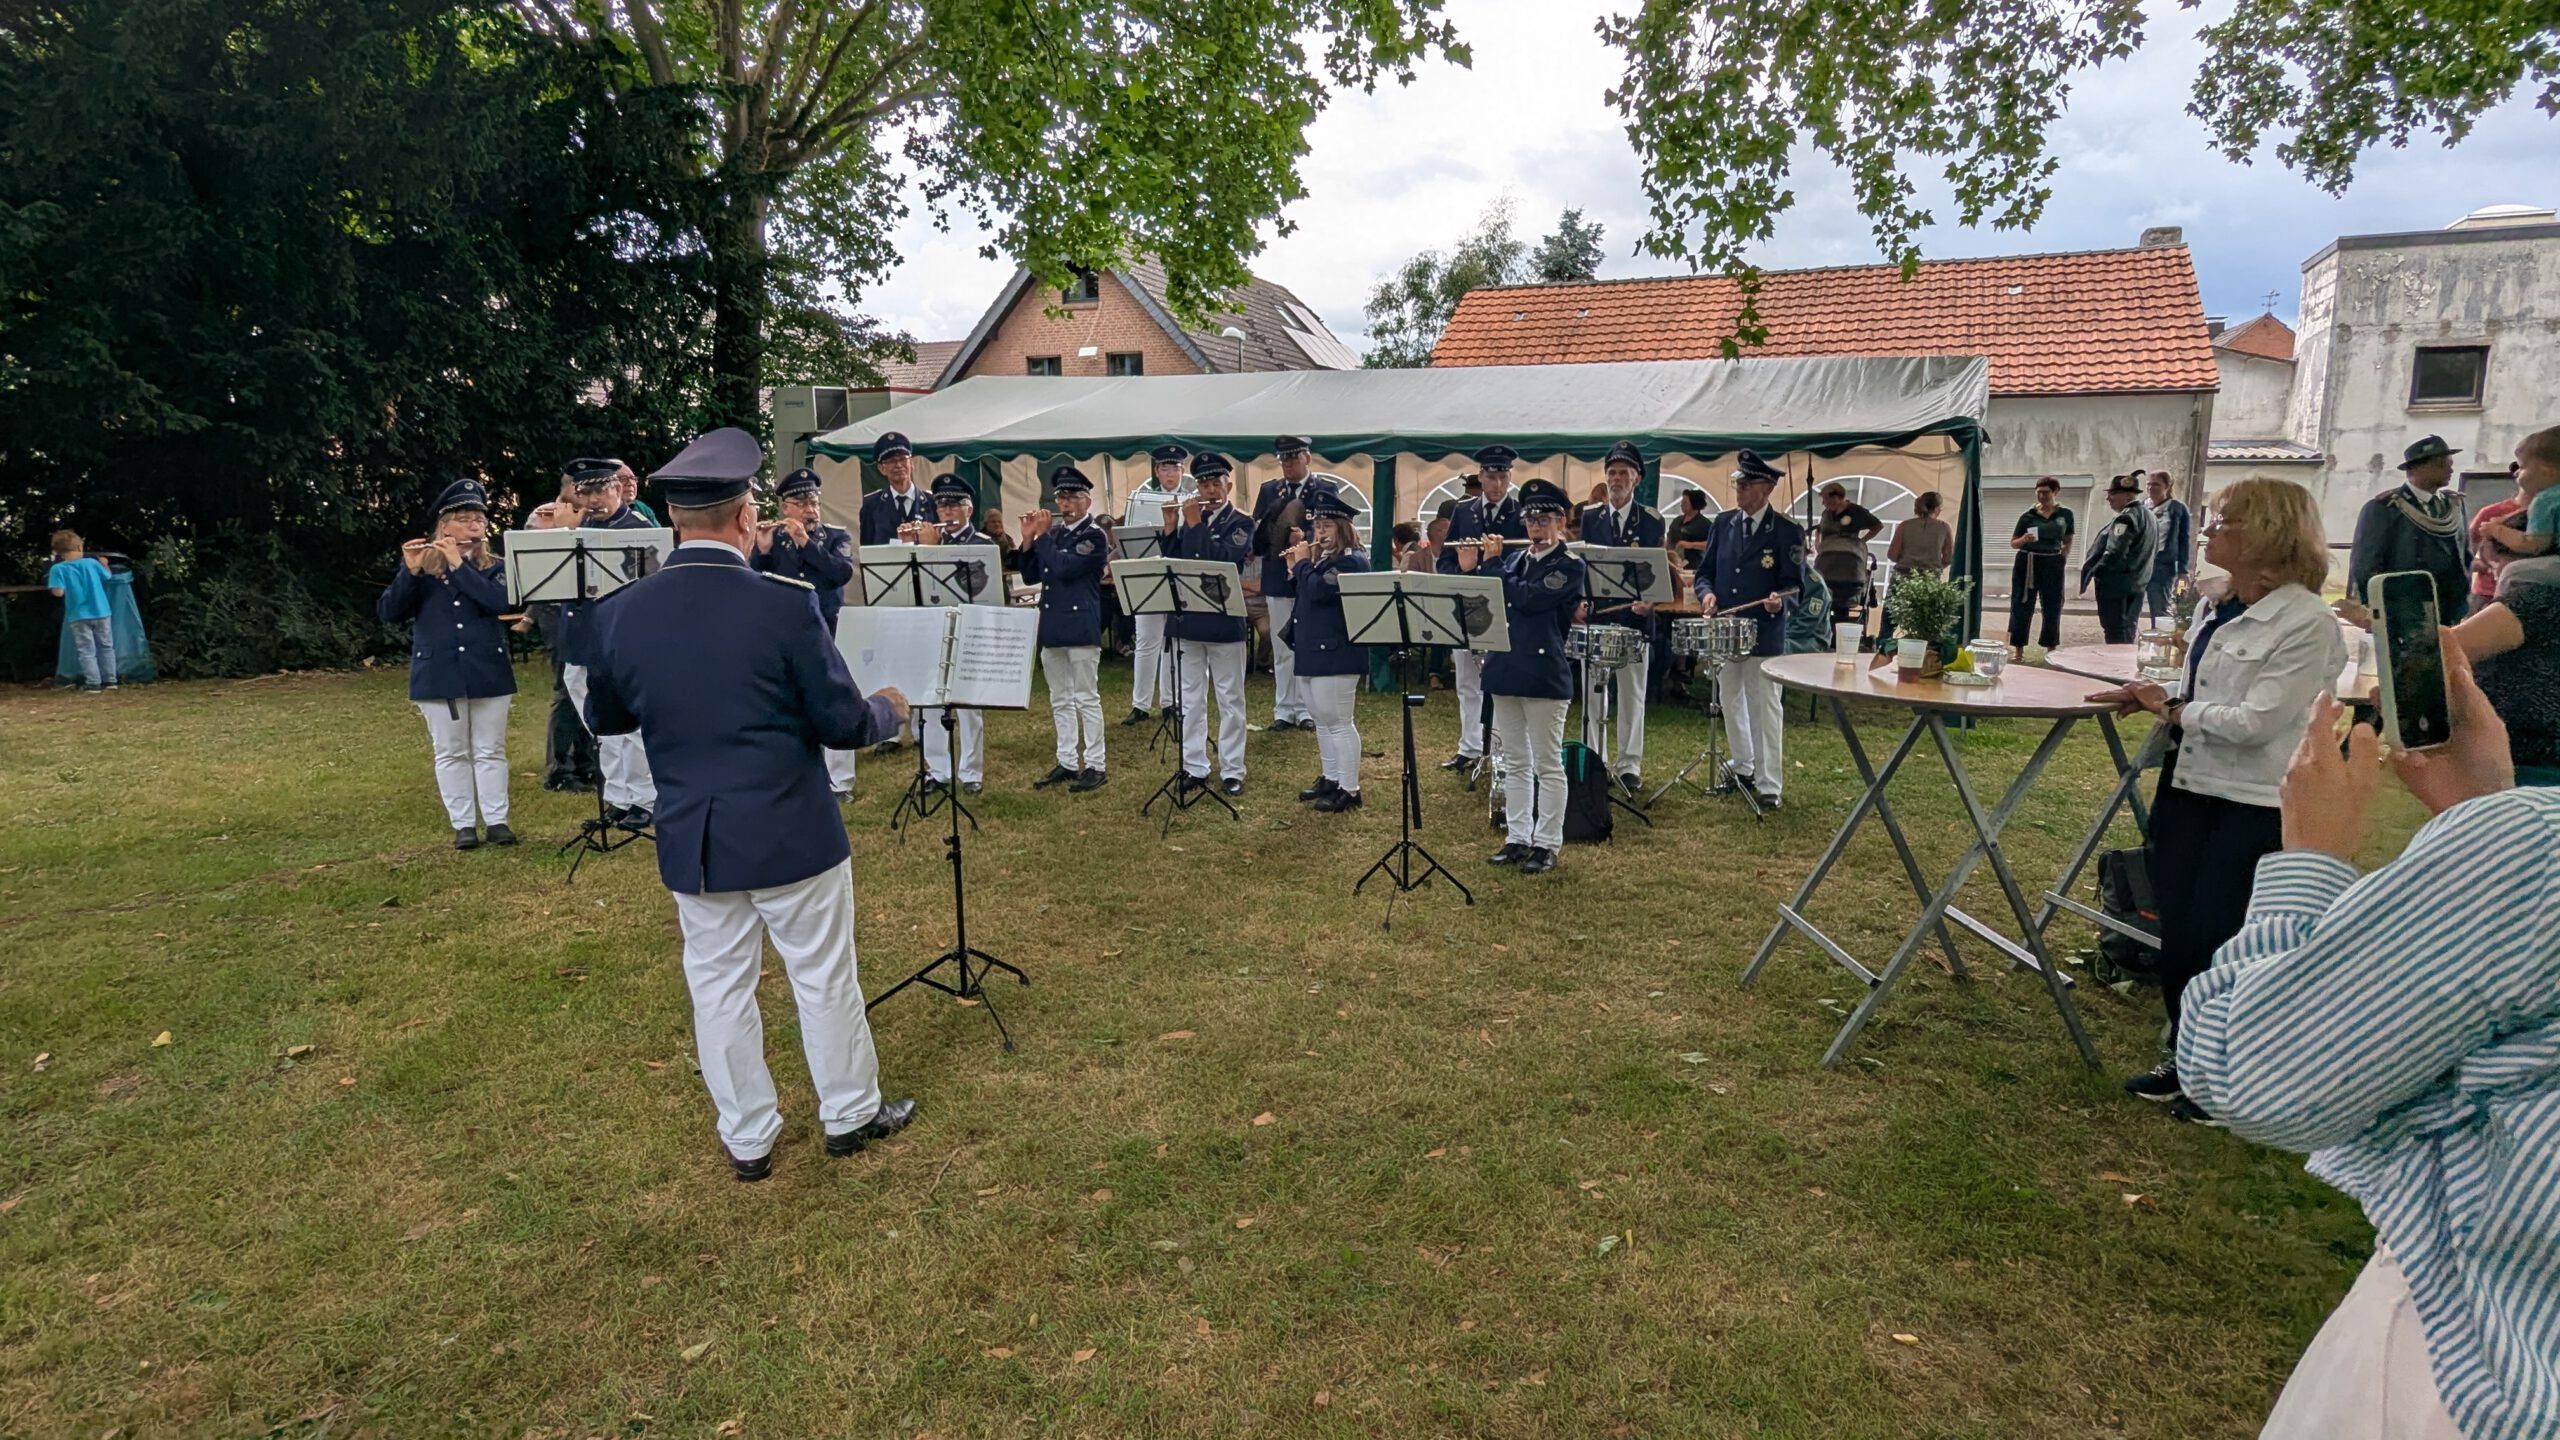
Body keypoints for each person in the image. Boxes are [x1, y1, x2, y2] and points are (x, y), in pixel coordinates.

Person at [2177, 650, 2559, 1440]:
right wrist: (2480, 815)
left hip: (2470, 1366)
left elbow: (2252, 1070)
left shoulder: (2534, 850)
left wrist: (2310, 858)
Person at [582, 427, 918, 1184]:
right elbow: (842, 722)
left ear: (675, 519)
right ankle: (848, 1113)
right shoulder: (784, 606)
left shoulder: (621, 611)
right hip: (789, 826)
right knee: (822, 975)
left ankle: (748, 1138)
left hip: (693, 833)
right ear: (745, 518)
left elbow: (606, 717)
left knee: (719, 987)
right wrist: (889, 711)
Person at [2085, 475, 2344, 1121]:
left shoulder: (2306, 621)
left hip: (2253, 800)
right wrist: (2156, 696)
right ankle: (2185, 1058)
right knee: (2180, 928)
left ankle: (2226, 1075)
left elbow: (2257, 721)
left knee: (2223, 934)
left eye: (2222, 520)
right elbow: (2201, 689)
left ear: (2268, 534)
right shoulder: (2217, 603)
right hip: (2189, 783)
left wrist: (2171, 710)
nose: (2205, 530)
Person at [375, 478, 518, 850]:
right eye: (464, 519)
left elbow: (500, 603)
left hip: (487, 669)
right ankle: (463, 824)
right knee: (451, 751)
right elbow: (390, 613)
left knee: (490, 749)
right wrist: (409, 571)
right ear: (444, 526)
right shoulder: (423, 568)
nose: (474, 525)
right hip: (438, 670)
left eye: (479, 520)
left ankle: (497, 821)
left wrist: (458, 566)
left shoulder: (495, 567)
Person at [1467, 478, 1583, 875]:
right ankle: (1517, 837)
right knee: (1514, 760)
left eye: (1545, 518)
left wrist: (1493, 566)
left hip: (1543, 674)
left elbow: (1530, 599)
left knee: (1547, 763)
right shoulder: (1515, 561)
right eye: (1531, 519)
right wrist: (1478, 565)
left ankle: (1547, 843)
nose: (1536, 525)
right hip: (1505, 669)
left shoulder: (1569, 565)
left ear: (1561, 522)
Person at [556, 456, 660, 828]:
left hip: (621, 640)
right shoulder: (576, 528)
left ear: (617, 488)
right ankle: (618, 796)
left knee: (629, 725)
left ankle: (645, 798)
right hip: (580, 638)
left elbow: (647, 588)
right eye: (585, 493)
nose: (593, 500)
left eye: (601, 490)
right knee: (599, 726)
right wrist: (563, 535)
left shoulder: (638, 529)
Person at [749, 467, 860, 796]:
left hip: (829, 628)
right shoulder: (774, 540)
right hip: (786, 633)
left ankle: (841, 780)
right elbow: (757, 584)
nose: (810, 510)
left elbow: (840, 573)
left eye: (813, 502)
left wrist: (806, 543)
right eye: (801, 504)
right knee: (792, 703)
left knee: (835, 700)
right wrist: (762, 553)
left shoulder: (836, 537)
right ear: (786, 508)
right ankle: (801, 774)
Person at [1702, 451, 1804, 809]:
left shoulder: (1787, 531)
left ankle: (1769, 783)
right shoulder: (1723, 524)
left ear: (1768, 488)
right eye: (1738, 484)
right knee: (1730, 700)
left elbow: (1795, 586)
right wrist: (1707, 593)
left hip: (1763, 634)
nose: (1740, 490)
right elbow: (1705, 572)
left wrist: (1780, 602)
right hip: (1727, 632)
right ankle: (1743, 766)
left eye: (1747, 484)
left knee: (1764, 708)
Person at [1577, 440, 1667, 793]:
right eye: (1611, 473)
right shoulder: (1590, 517)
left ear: (1636, 479)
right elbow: (1583, 566)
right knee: (1593, 695)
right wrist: (1581, 600)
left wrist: (1651, 601)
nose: (1616, 479)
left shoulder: (1652, 520)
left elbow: (1658, 571)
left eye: (1623, 473)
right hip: (1599, 618)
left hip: (1635, 621)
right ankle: (1595, 759)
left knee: (1632, 695)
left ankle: (1629, 764)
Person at [1161, 453, 1253, 798]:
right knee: (1190, 699)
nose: (1210, 490)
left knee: (1230, 699)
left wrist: (1195, 524)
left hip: (1224, 622)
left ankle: (1232, 769)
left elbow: (1222, 560)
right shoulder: (1190, 520)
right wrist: (1171, 528)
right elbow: (1173, 563)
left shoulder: (1241, 523)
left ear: (1228, 485)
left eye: (1216, 483)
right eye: (1203, 484)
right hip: (1188, 621)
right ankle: (1194, 765)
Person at [1018, 463, 1110, 793]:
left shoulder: (1094, 535)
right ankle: (1067, 760)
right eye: (1061, 498)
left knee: (1086, 697)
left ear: (1087, 501)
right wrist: (1027, 539)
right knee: (1060, 698)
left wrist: (1042, 537)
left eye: (1072, 497)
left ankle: (1096, 764)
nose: (1065, 504)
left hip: (1080, 623)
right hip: (1053, 623)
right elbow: (1031, 574)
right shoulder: (1054, 535)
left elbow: (1064, 568)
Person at [1437, 445, 1527, 773]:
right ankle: (1470, 746)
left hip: (1505, 607)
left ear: (1510, 476)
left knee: (1502, 680)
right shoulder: (1464, 512)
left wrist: (1489, 564)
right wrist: (1465, 570)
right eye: (1491, 477)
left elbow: (1524, 566)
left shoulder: (1521, 513)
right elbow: (1445, 562)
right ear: (1481, 476)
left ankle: (1501, 748)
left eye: (1504, 477)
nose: (1498, 484)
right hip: (1468, 606)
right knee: (1466, 680)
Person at [1285, 482, 1372, 812]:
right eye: (1317, 526)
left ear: (1343, 528)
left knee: (1338, 721)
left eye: (1327, 526)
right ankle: (1331, 777)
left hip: (1336, 652)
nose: (1320, 532)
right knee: (1321, 719)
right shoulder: (1323, 560)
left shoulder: (1352, 562)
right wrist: (1299, 568)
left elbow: (1321, 592)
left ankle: (1350, 789)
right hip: (1312, 648)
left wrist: (1302, 565)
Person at [914, 473, 991, 794]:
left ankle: (971, 772)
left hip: (967, 629)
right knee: (930, 702)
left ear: (968, 509)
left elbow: (978, 589)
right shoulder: (926, 542)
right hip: (932, 629)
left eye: (954, 505)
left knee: (969, 705)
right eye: (942, 506)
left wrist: (933, 551)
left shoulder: (982, 544)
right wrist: (918, 549)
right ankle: (938, 770)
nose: (946, 511)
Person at [2452, 558, 2560, 787]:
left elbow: (2445, 649)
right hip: (2512, 764)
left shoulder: (2537, 599)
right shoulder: (2538, 601)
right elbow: (2447, 650)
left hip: (2525, 768)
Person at [2346, 434, 2470, 620]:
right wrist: (2377, 611)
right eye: (2442, 464)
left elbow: (2464, 556)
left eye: (2450, 463)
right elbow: (2365, 566)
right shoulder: (2384, 508)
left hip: (2448, 609)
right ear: (2419, 468)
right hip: (2403, 610)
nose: (2450, 469)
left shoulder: (2453, 506)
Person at [1248, 436, 1321, 732]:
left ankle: (1305, 709)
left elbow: (1333, 529)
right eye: (1284, 460)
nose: (1288, 465)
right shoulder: (1270, 491)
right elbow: (1258, 535)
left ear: (1307, 458)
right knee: (1281, 645)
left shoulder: (1323, 489)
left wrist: (1305, 538)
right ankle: (1284, 709)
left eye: (1293, 458)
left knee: (1304, 643)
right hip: (1278, 575)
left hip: (1308, 574)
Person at [1124, 443, 1188, 726]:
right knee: (1146, 641)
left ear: (1182, 470)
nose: (1170, 473)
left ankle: (1170, 701)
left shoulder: (1191, 500)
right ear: (1157, 471)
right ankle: (1140, 704)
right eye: (1165, 468)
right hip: (1149, 573)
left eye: (1175, 468)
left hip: (1178, 575)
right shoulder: (1142, 500)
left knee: (1173, 641)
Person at [2080, 474, 2159, 644]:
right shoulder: (2149, 516)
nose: (2108, 498)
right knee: (2127, 630)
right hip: (2136, 584)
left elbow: (2114, 552)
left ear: (2128, 496)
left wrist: (2097, 571)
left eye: (2113, 493)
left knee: (2116, 633)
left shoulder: (2126, 517)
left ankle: (2116, 661)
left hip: (2117, 587)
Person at [2006, 477, 2074, 651]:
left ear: (2055, 492)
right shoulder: (2028, 515)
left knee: (2053, 604)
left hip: (2052, 561)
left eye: (2046, 492)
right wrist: (2024, 539)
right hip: (2028, 561)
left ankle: (2051, 646)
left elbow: (2068, 539)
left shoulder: (2065, 514)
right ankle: (2018, 647)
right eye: (2039, 492)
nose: (2042, 496)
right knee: (2021, 603)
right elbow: (2013, 543)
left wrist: (2063, 557)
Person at [46, 529, 117, 693]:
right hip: (101, 612)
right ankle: (110, 681)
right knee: (106, 646)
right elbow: (107, 576)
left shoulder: (57, 569)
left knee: (86, 650)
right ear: (79, 547)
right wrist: (104, 564)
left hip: (78, 616)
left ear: (59, 552)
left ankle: (93, 683)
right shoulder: (92, 563)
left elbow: (58, 593)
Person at [2481, 425, 2560, 563]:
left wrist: (2496, 530)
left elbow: (2534, 545)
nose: (2516, 473)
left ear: (2546, 472)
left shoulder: (2544, 500)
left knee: (2514, 572)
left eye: (2522, 467)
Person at [1810, 481, 1884, 625]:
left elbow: (1877, 525)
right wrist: (1819, 543)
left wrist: (1861, 542)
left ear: (1837, 498)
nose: (1824, 503)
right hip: (1827, 562)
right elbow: (1821, 529)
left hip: (1849, 563)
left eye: (1826, 499)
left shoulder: (1856, 511)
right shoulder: (1827, 514)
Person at [856, 431, 927, 546]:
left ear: (911, 463)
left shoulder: (931, 502)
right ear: (882, 469)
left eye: (903, 459)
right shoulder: (871, 505)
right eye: (891, 461)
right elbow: (867, 548)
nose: (898, 465)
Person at [2144, 471, 2193, 626]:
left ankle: (2160, 638)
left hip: (2162, 566)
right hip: (2139, 565)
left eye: (2156, 484)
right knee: (2129, 609)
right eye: (2149, 484)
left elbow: (2184, 540)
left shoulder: (2178, 509)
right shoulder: (2142, 507)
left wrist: (2183, 570)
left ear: (2167, 486)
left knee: (2159, 608)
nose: (2151, 488)